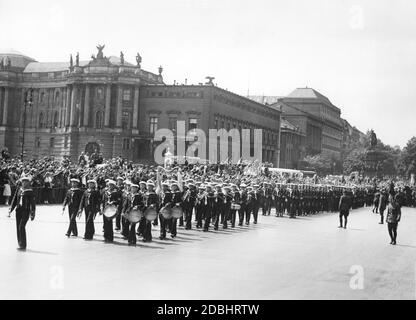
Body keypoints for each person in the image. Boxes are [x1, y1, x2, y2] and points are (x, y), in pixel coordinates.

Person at [9, 176, 36, 250]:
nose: (24, 183)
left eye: (26, 182)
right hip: (18, 210)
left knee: (21, 226)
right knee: (18, 227)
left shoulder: (30, 192)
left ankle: (23, 245)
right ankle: (20, 243)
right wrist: (10, 210)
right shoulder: (19, 190)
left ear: (28, 183)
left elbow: (33, 204)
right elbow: (15, 201)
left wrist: (32, 213)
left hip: (26, 211)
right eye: (23, 181)